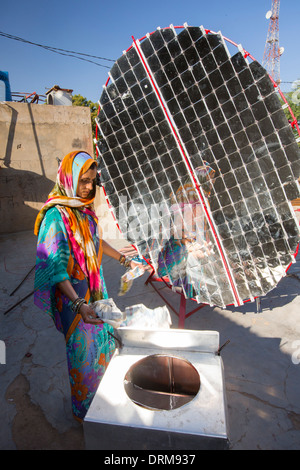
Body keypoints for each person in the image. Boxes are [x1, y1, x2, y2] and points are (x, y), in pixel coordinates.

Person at [33, 150, 139, 422]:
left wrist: (125, 261)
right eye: (83, 180)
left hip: (95, 292)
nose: (89, 187)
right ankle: (85, 415)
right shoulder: (55, 217)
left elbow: (95, 243)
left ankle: (103, 406)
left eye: (92, 180)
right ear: (69, 178)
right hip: (75, 300)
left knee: (101, 349)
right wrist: (79, 304)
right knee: (82, 357)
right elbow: (55, 269)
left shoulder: (83, 211)